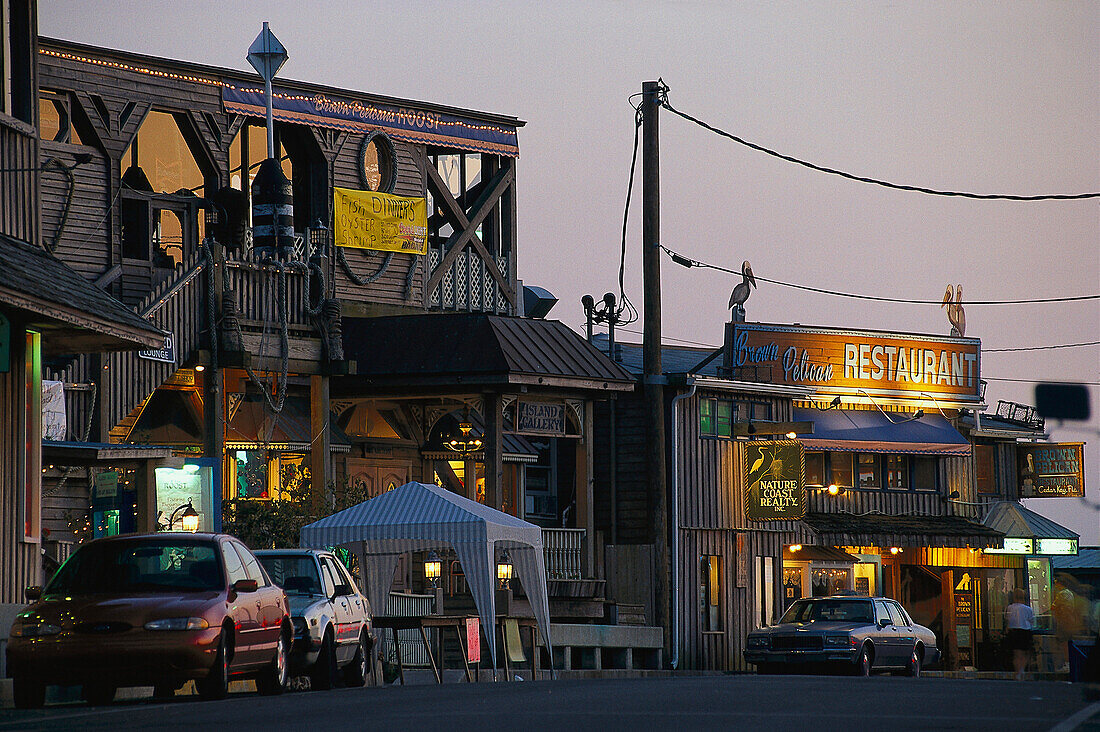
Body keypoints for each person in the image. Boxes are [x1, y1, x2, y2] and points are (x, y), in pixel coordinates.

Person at [1006, 587, 1036, 681]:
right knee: (1025, 653)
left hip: (1013, 632)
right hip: (1025, 631)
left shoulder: (1010, 608)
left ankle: (1018, 671)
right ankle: (1021, 669)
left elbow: (1007, 619)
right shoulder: (1028, 609)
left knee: (1016, 653)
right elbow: (1032, 621)